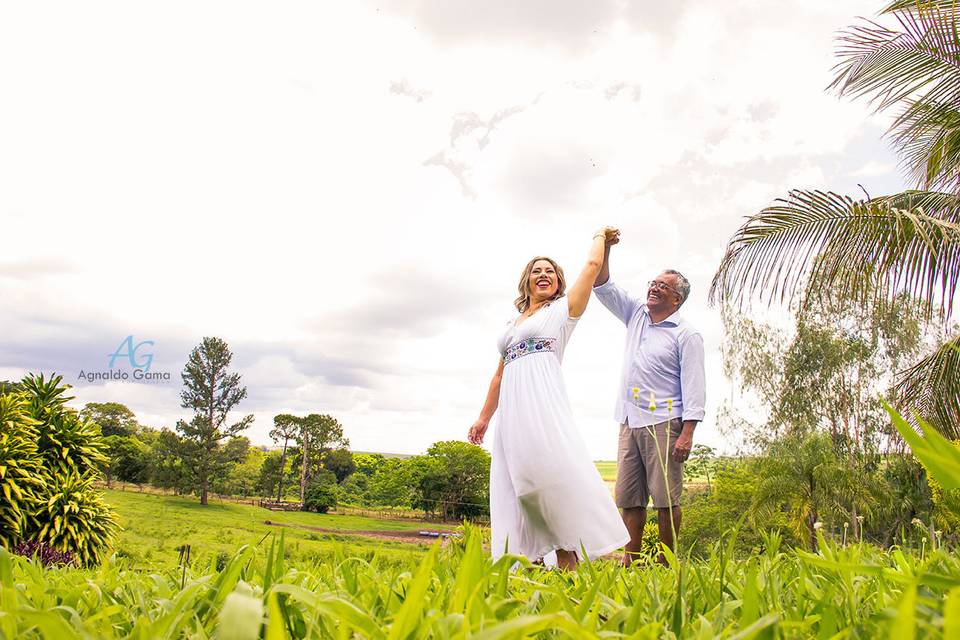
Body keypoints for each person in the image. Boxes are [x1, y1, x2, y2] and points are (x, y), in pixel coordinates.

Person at [468, 228, 630, 570]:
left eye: (550, 271)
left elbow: (591, 266)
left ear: (558, 282)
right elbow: (499, 374)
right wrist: (484, 418)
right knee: (520, 483)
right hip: (512, 413)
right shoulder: (513, 324)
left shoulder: (563, 312)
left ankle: (567, 557)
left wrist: (600, 236)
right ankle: (534, 558)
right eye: (537, 271)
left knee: (549, 476)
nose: (544, 275)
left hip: (542, 405)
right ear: (526, 281)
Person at [592, 234, 705, 566]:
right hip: (629, 420)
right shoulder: (637, 314)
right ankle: (632, 560)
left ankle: (667, 561)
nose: (654, 288)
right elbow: (604, 286)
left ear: (677, 299)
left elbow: (695, 387)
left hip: (664, 422)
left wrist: (687, 433)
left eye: (663, 287)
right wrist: (607, 248)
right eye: (653, 283)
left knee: (666, 500)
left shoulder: (687, 335)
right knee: (629, 498)